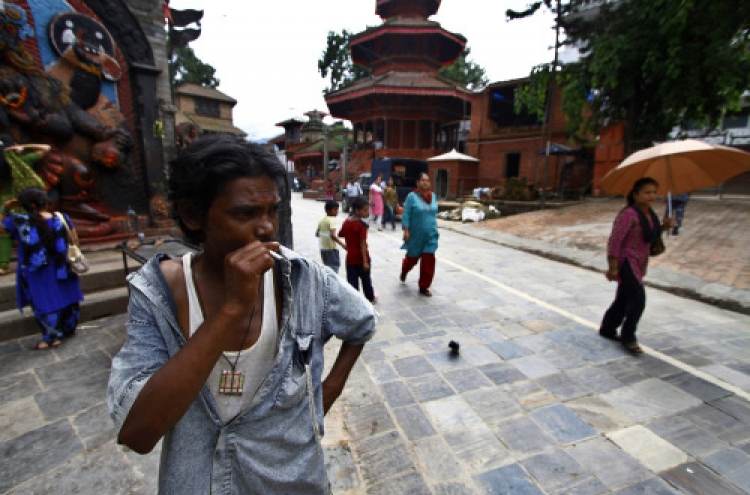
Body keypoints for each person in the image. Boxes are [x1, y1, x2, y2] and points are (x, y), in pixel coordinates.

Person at [107, 135, 376, 494]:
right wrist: (232, 309)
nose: (266, 228)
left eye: (272, 211)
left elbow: (363, 322)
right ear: (192, 214)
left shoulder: (303, 278)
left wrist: (324, 395)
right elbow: (138, 434)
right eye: (245, 213)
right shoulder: (158, 294)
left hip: (291, 477)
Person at [0, 187, 83, 349]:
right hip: (62, 267)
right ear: (45, 201)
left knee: (45, 301)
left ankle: (51, 337)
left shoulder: (19, 221)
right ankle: (68, 328)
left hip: (38, 271)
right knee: (66, 296)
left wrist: (6, 208)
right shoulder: (61, 217)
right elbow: (74, 239)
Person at [599, 177, 674, 355]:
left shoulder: (650, 214)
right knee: (638, 299)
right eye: (647, 192)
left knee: (623, 299)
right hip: (626, 262)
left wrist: (664, 227)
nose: (652, 195)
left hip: (640, 262)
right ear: (636, 194)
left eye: (655, 192)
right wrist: (613, 267)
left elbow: (650, 235)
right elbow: (615, 241)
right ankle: (628, 336)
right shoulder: (628, 214)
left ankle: (608, 328)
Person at [400, 172, 439, 297]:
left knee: (429, 260)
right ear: (418, 182)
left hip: (430, 235)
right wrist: (406, 230)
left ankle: (424, 287)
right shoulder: (412, 196)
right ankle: (404, 270)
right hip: (415, 235)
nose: (425, 182)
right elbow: (406, 214)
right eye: (422, 180)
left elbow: (433, 214)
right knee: (412, 259)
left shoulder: (433, 196)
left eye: (427, 180)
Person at [338, 196, 376, 303]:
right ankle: (370, 299)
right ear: (357, 210)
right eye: (365, 210)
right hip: (361, 258)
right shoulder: (362, 225)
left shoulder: (346, 222)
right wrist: (365, 261)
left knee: (352, 282)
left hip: (350, 259)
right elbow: (362, 244)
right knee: (366, 281)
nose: (367, 212)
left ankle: (354, 301)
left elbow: (340, 234)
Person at [316, 199, 346, 273]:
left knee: (327, 268)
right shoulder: (332, 220)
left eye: (337, 210)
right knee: (334, 267)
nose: (337, 212)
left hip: (323, 248)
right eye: (335, 210)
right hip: (331, 248)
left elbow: (317, 234)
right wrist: (342, 244)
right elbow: (333, 235)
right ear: (328, 210)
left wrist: (325, 234)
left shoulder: (321, 220)